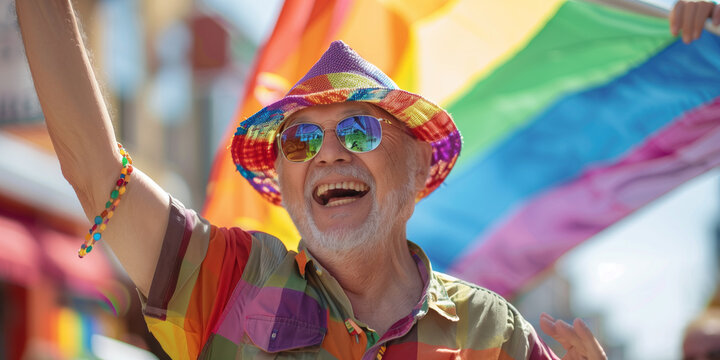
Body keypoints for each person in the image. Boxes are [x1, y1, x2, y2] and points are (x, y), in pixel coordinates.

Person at [15, 0, 719, 359]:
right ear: (285, 187)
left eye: (359, 130)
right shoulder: (226, 277)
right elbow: (93, 166)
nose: (326, 152)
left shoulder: (491, 331)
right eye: (299, 140)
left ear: (418, 173)